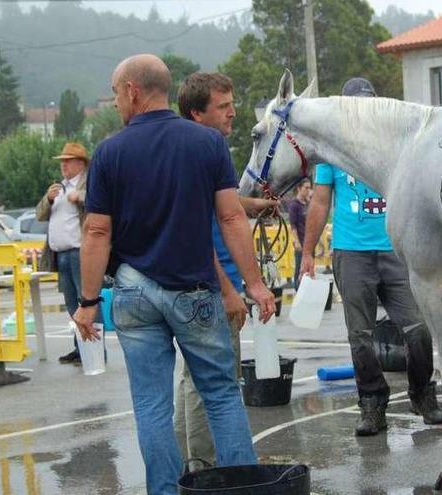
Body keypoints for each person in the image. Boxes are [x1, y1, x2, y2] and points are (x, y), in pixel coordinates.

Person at [71, 54, 276, 495]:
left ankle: (165, 491)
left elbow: (96, 230)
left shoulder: (109, 152)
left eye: (114, 94)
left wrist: (88, 303)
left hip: (134, 294)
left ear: (132, 91)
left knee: (151, 406)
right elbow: (232, 219)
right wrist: (255, 284)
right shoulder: (207, 144)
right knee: (221, 395)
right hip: (195, 293)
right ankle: (244, 489)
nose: (114, 104)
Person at [299, 77, 442, 436]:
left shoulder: (396, 143)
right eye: (357, 105)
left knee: (419, 330)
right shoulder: (332, 152)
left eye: (369, 103)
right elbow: (320, 201)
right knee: (360, 337)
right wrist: (306, 253)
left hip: (395, 249)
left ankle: (421, 393)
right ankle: (372, 403)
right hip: (351, 252)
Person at [173, 71, 276, 470]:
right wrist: (233, 290)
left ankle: (189, 461)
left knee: (190, 381)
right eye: (223, 106)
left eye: (233, 103)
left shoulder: (186, 148)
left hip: (193, 286)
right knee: (214, 385)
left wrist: (254, 206)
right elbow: (198, 227)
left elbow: (223, 204)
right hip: (212, 286)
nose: (233, 113)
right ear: (197, 113)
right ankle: (206, 468)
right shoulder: (207, 147)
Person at [36, 141, 90, 365]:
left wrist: (81, 197)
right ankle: (79, 347)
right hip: (62, 254)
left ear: (80, 163)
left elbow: (103, 205)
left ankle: (93, 350)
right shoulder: (58, 188)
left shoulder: (89, 183)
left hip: (80, 251)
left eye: (67, 162)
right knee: (71, 304)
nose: (63, 166)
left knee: (86, 302)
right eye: (62, 162)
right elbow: (39, 214)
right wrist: (48, 199)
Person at [287, 178, 312, 289]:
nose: (308, 190)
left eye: (309, 188)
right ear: (299, 188)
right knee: (300, 268)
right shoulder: (294, 205)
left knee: (310, 269)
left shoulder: (308, 204)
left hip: (310, 243)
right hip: (301, 242)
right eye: (306, 188)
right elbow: (293, 225)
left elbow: (312, 224)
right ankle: (298, 290)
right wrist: (296, 241)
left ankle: (307, 292)